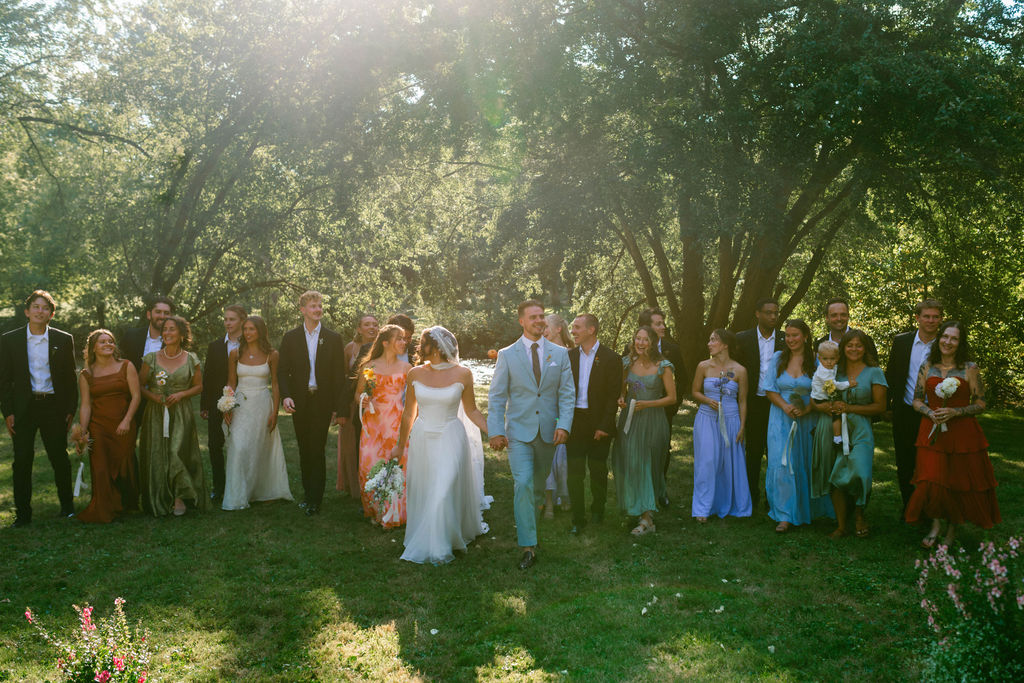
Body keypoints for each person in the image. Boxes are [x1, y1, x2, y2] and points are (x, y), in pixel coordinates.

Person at [488, 300, 575, 570]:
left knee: (537, 490)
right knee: (523, 484)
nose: (539, 321)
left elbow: (567, 393)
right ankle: (527, 546)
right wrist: (496, 431)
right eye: (533, 317)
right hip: (519, 433)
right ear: (521, 321)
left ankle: (532, 534)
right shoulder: (507, 354)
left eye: (542, 317)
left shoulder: (559, 354)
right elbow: (497, 396)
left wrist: (564, 425)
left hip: (549, 433)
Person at [392, 326, 489, 564]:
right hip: (423, 436)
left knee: (444, 487)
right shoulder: (415, 373)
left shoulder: (464, 373)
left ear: (433, 347)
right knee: (428, 487)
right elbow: (408, 414)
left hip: (450, 435)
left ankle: (439, 545)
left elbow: (472, 410)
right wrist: (399, 445)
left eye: (423, 343)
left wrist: (495, 431)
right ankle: (435, 537)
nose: (419, 347)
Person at [906, 321, 1000, 548]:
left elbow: (981, 403)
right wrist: (930, 412)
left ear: (960, 343)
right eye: (945, 337)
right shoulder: (927, 366)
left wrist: (955, 411)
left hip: (962, 434)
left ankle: (950, 532)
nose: (948, 342)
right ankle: (935, 525)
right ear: (939, 339)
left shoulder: (970, 368)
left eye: (954, 338)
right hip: (932, 430)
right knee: (932, 479)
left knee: (955, 481)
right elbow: (917, 399)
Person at [0, 290, 78, 527]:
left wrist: (70, 409)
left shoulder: (63, 339)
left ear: (51, 314)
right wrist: (8, 412)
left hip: (53, 407)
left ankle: (67, 508)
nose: (40, 311)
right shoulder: (9, 339)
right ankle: (23, 515)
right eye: (36, 306)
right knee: (22, 461)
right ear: (27, 311)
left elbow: (69, 379)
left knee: (59, 458)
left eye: (45, 308)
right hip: (24, 408)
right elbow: (3, 379)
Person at [278, 290, 348, 517]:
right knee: (303, 447)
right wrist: (286, 396)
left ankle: (315, 500)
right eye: (313, 306)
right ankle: (308, 494)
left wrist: (338, 407)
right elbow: (282, 371)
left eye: (319, 305)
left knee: (316, 448)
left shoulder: (333, 338)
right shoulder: (290, 337)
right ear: (303, 310)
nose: (318, 309)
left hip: (322, 400)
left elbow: (339, 375)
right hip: (299, 399)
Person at [812, 331, 887, 538]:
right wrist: (829, 406)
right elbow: (816, 396)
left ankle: (860, 514)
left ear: (866, 348)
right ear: (842, 348)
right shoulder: (835, 371)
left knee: (860, 473)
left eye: (859, 345)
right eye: (849, 345)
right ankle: (841, 525)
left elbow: (880, 406)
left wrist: (850, 409)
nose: (854, 349)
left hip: (861, 428)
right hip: (836, 427)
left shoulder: (874, 372)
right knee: (837, 474)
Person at [764, 319, 833, 532]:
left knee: (805, 461)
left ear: (805, 336)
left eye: (795, 335)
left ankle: (807, 509)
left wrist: (807, 410)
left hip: (807, 418)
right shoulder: (778, 358)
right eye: (787, 335)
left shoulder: (816, 360)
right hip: (780, 418)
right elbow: (769, 389)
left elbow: (825, 390)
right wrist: (785, 407)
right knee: (782, 463)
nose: (790, 339)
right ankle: (784, 514)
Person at [138, 315, 207, 516]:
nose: (167, 333)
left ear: (181, 333)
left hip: (181, 412)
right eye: (165, 329)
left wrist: (181, 394)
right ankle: (158, 495)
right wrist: (154, 397)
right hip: (156, 413)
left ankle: (179, 496)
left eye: (172, 329)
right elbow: (140, 385)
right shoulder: (150, 359)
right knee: (158, 453)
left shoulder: (191, 358)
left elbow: (199, 386)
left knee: (177, 451)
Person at [221, 316, 292, 510]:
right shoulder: (235, 353)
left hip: (262, 403)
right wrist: (227, 405)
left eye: (252, 329)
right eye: (245, 329)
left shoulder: (272, 354)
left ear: (260, 331)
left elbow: (275, 384)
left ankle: (259, 491)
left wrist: (275, 412)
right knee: (238, 446)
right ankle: (237, 495)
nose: (247, 333)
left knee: (259, 447)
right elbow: (231, 382)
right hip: (241, 404)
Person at [613, 325, 676, 536]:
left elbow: (672, 398)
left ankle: (647, 519)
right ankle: (635, 507)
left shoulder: (663, 366)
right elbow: (622, 390)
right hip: (629, 420)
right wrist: (621, 398)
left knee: (648, 465)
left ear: (653, 342)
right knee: (630, 462)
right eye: (637, 338)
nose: (640, 343)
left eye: (645, 340)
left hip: (653, 420)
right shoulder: (626, 363)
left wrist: (647, 404)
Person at [74, 329, 141, 523]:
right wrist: (83, 431)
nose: (107, 344)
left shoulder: (126, 366)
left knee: (123, 463)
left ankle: (125, 503)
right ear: (93, 347)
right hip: (98, 426)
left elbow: (136, 396)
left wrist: (127, 420)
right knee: (101, 466)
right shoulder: (86, 374)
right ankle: (104, 507)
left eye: (110, 341)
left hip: (123, 421)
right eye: (102, 342)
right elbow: (85, 405)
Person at [622, 307, 684, 508]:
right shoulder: (629, 354)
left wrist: (670, 409)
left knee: (658, 455)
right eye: (658, 323)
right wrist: (621, 397)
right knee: (633, 456)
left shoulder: (670, 352)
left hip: (659, 412)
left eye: (663, 323)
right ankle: (639, 500)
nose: (663, 327)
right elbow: (622, 384)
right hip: (633, 414)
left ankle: (658, 491)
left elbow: (681, 380)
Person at [884, 299, 942, 512]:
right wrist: (887, 406)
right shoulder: (902, 342)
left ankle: (930, 507)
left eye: (935, 317)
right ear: (917, 318)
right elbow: (891, 374)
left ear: (941, 319)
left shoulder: (945, 344)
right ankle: (910, 507)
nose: (931, 320)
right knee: (905, 462)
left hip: (935, 413)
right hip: (905, 410)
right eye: (926, 316)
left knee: (931, 463)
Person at [566, 314, 621, 534]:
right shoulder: (569, 356)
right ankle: (578, 518)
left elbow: (612, 396)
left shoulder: (611, 358)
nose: (573, 332)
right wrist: (561, 422)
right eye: (573, 328)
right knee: (574, 472)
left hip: (599, 421)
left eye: (577, 327)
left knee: (598, 469)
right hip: (576, 421)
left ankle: (598, 509)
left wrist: (604, 425)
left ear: (591, 330)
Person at [353, 324, 411, 527]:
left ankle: (395, 512)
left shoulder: (407, 369)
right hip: (373, 422)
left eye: (404, 339)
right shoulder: (369, 367)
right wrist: (364, 400)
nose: (404, 342)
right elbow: (358, 393)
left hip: (396, 420)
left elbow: (414, 400)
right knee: (370, 461)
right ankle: (376, 509)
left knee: (397, 463)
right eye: (399, 338)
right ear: (385, 342)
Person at [690, 328, 751, 521]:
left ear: (725, 344)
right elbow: (694, 392)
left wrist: (742, 426)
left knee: (729, 461)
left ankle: (728, 503)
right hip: (707, 417)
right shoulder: (703, 366)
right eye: (709, 340)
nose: (709, 343)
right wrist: (707, 401)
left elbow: (742, 400)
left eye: (713, 340)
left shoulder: (740, 370)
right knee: (707, 461)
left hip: (732, 419)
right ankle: (702, 508)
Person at [735, 297, 785, 510]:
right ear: (758, 314)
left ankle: (772, 495)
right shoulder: (742, 339)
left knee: (775, 451)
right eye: (768, 312)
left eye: (775, 313)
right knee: (753, 451)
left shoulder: (785, 339)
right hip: (753, 401)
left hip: (777, 402)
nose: (773, 316)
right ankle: (751, 496)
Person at [199, 304, 247, 502]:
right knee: (214, 444)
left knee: (241, 444)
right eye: (226, 319)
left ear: (242, 321)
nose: (228, 323)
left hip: (245, 401)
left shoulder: (249, 345)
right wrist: (205, 405)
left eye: (232, 319)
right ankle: (218, 486)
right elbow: (208, 376)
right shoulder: (215, 346)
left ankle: (243, 484)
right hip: (218, 402)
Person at [338, 314, 378, 497]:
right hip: (354, 401)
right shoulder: (350, 349)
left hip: (375, 403)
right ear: (359, 328)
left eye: (375, 325)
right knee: (353, 445)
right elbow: (345, 378)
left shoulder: (383, 348)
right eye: (367, 324)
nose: (372, 327)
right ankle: (354, 485)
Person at [542, 313, 572, 518]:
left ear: (558, 329)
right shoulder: (541, 351)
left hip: (567, 410)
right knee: (547, 456)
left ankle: (566, 494)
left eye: (546, 326)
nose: (542, 329)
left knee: (564, 459)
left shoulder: (573, 353)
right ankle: (549, 501)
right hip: (547, 409)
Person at [809, 341, 852, 455]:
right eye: (825, 359)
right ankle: (837, 439)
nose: (828, 362)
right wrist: (849, 384)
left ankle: (817, 430)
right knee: (836, 413)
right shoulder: (823, 371)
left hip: (823, 394)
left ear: (837, 358)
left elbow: (835, 370)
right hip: (819, 397)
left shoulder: (831, 367)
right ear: (819, 358)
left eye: (832, 359)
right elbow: (835, 384)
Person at [121, 296, 174, 372]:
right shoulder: (131, 336)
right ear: (149, 315)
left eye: (166, 313)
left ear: (171, 317)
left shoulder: (176, 342)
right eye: (158, 312)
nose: (162, 316)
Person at [813, 298, 878, 360]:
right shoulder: (819, 345)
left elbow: (874, 368)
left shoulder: (865, 341)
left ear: (848, 316)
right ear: (827, 318)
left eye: (843, 315)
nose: (839, 319)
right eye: (834, 315)